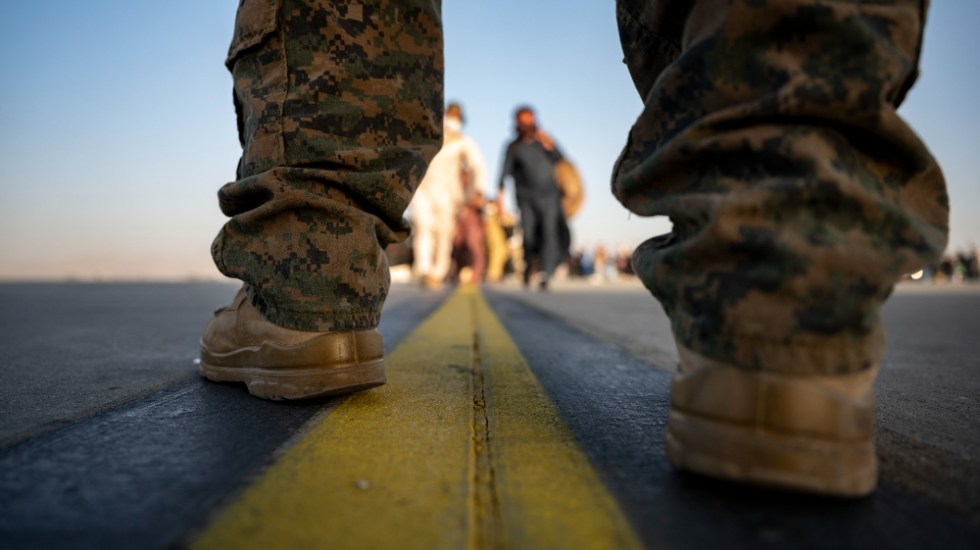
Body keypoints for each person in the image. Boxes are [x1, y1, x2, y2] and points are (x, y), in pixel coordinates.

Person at [200, 0, 948, 499]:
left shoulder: (541, 143)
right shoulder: (510, 145)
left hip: (534, 201)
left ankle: (310, 288)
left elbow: (534, 176)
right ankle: (783, 297)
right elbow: (495, 169)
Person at [411, 102, 487, 289]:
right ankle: (423, 269)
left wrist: (478, 190)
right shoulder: (427, 136)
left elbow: (478, 165)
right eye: (449, 115)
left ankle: (438, 272)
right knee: (423, 226)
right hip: (423, 189)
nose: (452, 119)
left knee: (444, 233)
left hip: (448, 194)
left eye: (456, 117)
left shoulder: (463, 142)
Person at [497, 107, 569, 291]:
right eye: (523, 121)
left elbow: (561, 160)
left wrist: (549, 144)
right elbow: (504, 172)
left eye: (530, 120)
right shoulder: (513, 147)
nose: (527, 124)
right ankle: (529, 266)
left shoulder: (544, 142)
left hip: (549, 196)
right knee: (528, 234)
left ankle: (547, 272)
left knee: (549, 232)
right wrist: (500, 198)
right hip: (525, 198)